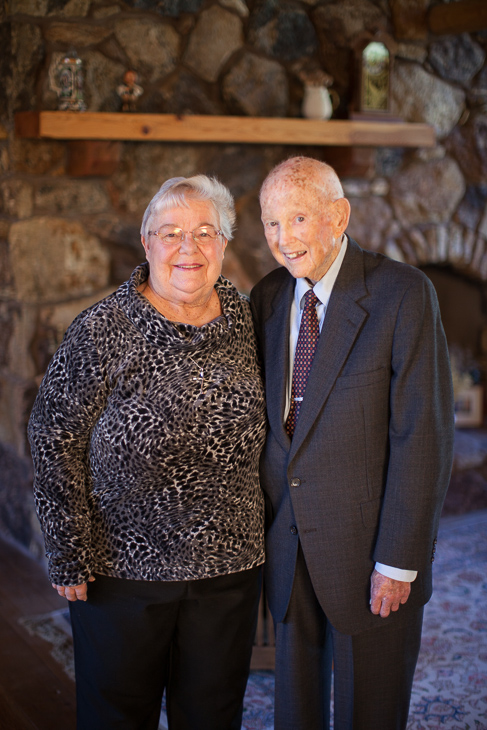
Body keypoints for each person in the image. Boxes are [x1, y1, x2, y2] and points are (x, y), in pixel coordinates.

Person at [28, 174, 267, 730]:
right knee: (118, 716)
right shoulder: (103, 328)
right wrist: (67, 551)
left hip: (228, 567)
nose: (189, 248)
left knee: (213, 714)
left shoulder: (252, 320)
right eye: (172, 233)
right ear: (147, 241)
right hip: (121, 573)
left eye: (206, 232)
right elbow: (52, 433)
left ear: (225, 244)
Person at [250, 156, 455, 730]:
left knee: (371, 712)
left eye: (297, 219)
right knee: (294, 712)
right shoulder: (267, 296)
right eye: (270, 223)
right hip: (290, 547)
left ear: (338, 216)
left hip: (373, 557)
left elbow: (425, 436)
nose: (283, 240)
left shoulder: (402, 295)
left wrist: (399, 561)